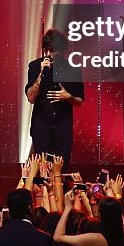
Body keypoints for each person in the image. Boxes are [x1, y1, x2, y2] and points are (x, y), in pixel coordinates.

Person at [25, 28, 85, 167]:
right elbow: (31, 98)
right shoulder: (35, 66)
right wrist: (41, 74)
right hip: (41, 127)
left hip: (62, 128)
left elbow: (80, 101)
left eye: (53, 51)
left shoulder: (73, 69)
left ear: (63, 50)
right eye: (47, 50)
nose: (49, 55)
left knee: (61, 171)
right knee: (42, 171)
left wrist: (68, 97)